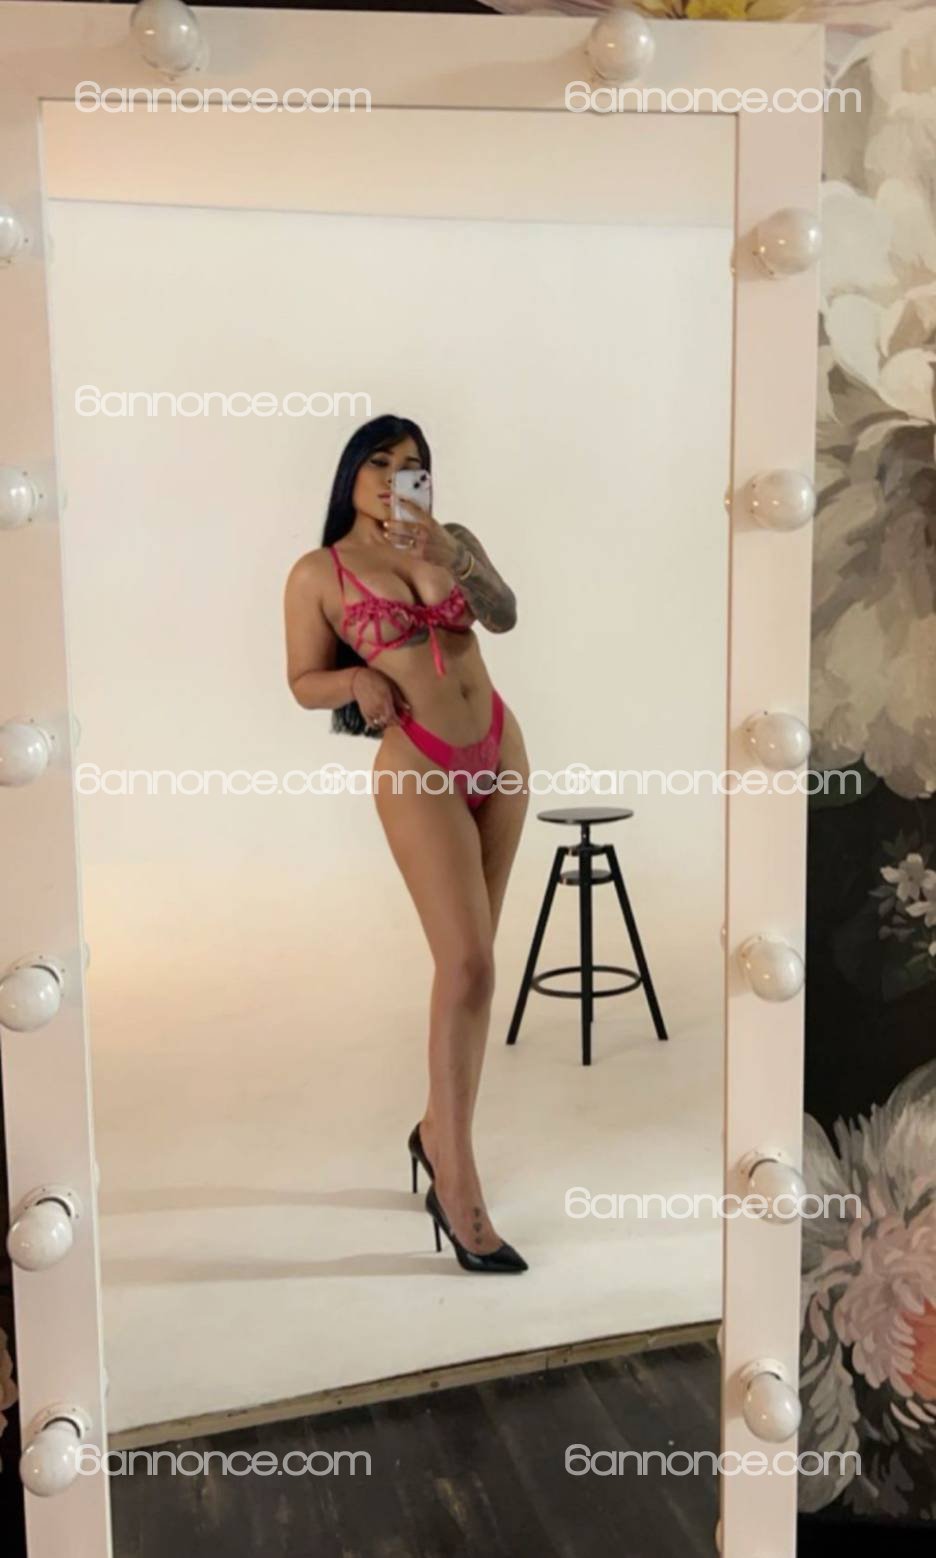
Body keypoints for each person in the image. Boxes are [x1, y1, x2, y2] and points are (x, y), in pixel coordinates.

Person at [284, 415, 530, 1273]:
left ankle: (437, 1132)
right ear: (351, 475)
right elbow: (301, 681)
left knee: (477, 972)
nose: (395, 479)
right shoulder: (319, 572)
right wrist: (356, 678)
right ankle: (456, 1182)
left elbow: (504, 615)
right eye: (380, 464)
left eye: (412, 465)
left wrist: (452, 554)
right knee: (467, 965)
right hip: (417, 762)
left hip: (499, 749)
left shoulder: (450, 539)